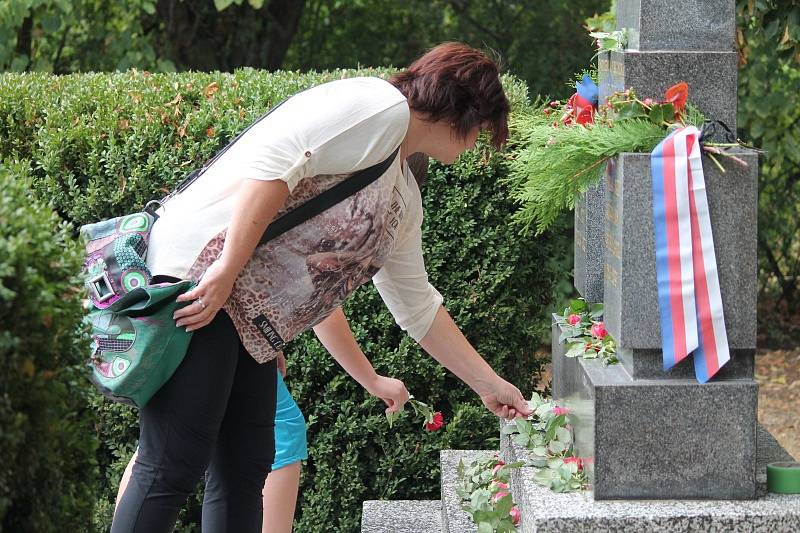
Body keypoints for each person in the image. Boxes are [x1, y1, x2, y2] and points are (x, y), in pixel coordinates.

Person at [110, 42, 533, 533]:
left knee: (245, 468)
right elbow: (275, 164)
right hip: (202, 279)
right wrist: (226, 269)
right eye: (481, 130)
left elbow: (417, 306)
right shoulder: (380, 106)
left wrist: (489, 385)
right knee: (172, 464)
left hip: (250, 320)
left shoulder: (403, 193)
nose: (475, 144)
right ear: (463, 110)